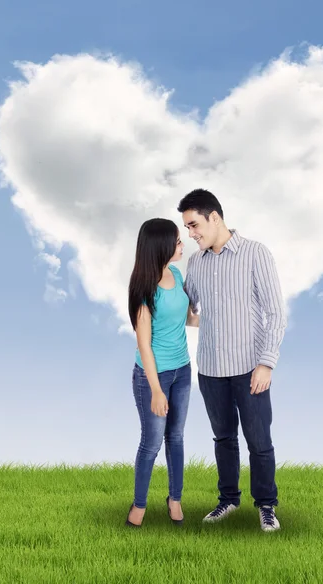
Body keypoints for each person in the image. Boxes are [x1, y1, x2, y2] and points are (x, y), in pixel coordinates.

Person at [177, 189, 287, 532]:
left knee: (258, 441)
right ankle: (228, 500)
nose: (191, 233)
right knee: (223, 439)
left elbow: (275, 313)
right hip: (210, 369)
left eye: (194, 225)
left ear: (215, 217)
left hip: (250, 369)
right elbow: (189, 308)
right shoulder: (195, 263)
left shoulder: (255, 254)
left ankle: (266, 505)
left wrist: (266, 363)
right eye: (187, 228)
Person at [125, 218, 199, 528]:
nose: (183, 245)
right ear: (161, 247)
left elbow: (188, 319)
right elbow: (144, 345)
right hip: (152, 376)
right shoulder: (144, 289)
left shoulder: (177, 273)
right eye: (178, 241)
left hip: (182, 371)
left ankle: (175, 499)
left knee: (177, 438)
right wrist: (156, 390)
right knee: (152, 442)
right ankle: (139, 505)